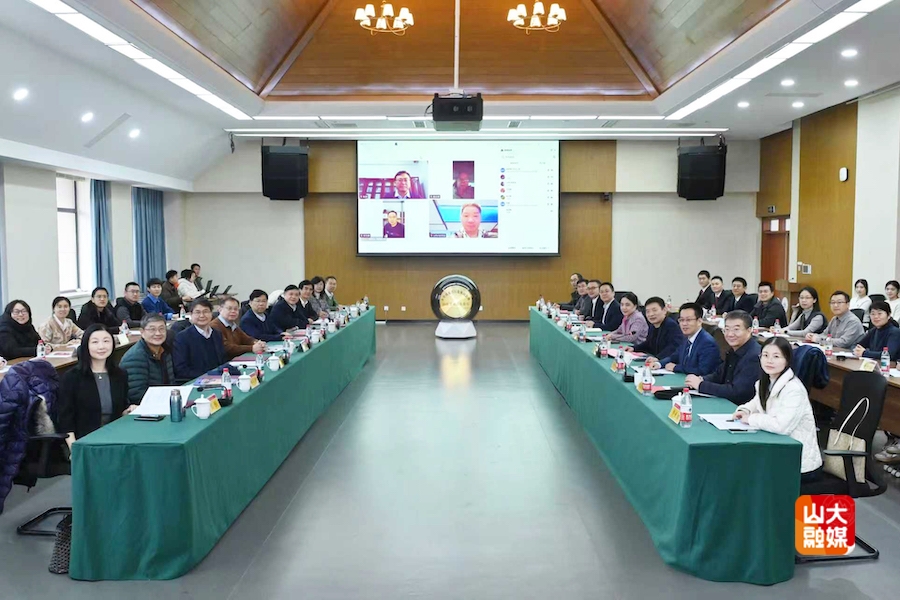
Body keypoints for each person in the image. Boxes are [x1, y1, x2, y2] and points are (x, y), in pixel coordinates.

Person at [732, 337, 822, 483]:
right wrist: (745, 410)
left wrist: (751, 419)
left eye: (776, 356)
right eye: (765, 355)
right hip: (777, 451)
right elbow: (757, 401)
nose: (769, 361)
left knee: (746, 473)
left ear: (787, 360)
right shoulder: (766, 381)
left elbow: (781, 426)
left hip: (800, 464)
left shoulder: (794, 389)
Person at [58, 324, 135, 447]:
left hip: (115, 439)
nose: (101, 346)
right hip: (84, 442)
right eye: (95, 342)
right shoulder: (72, 377)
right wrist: (74, 448)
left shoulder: (120, 374)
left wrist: (129, 410)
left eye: (106, 341)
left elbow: (120, 410)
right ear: (86, 346)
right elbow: (65, 420)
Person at [686, 310, 761, 405]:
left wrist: (701, 385)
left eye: (736, 329)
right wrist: (702, 379)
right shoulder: (734, 349)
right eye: (727, 329)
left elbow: (737, 392)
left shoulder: (753, 356)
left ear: (749, 330)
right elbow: (719, 374)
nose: (730, 334)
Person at [119, 313, 176, 405]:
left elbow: (171, 383)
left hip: (165, 402)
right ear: (142, 332)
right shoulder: (135, 357)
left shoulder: (165, 350)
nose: (158, 333)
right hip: (146, 406)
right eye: (152, 329)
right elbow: (136, 395)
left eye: (162, 329)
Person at [651, 303, 721, 375]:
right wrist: (659, 364)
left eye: (688, 320)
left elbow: (703, 371)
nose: (684, 324)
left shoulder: (708, 343)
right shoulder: (686, 337)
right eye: (681, 320)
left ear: (699, 321)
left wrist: (676, 367)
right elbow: (675, 356)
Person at [173, 299, 226, 380]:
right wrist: (209, 376)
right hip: (195, 381)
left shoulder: (217, 334)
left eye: (205, 311)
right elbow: (181, 370)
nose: (202, 315)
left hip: (218, 379)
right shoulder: (182, 338)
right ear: (191, 314)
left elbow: (222, 361)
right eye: (197, 312)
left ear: (211, 314)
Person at [211, 296, 267, 361]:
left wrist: (258, 343)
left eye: (236, 309)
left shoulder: (233, 324)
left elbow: (246, 339)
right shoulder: (214, 326)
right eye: (229, 308)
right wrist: (251, 348)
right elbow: (226, 348)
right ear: (220, 309)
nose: (233, 311)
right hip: (224, 362)